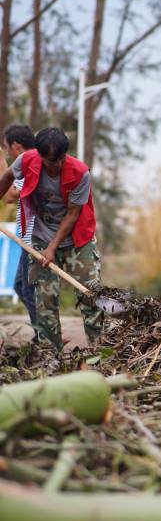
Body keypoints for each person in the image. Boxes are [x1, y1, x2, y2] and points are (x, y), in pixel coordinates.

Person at [0, 126, 102, 351]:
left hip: (78, 239)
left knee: (90, 297)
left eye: (58, 161)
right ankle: (50, 355)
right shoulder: (27, 161)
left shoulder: (80, 173)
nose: (54, 167)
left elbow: (73, 214)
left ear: (65, 155)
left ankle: (99, 352)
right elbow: (7, 177)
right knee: (44, 302)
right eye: (48, 162)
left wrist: (52, 248)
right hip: (41, 235)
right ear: (39, 155)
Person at [3, 125, 37, 338]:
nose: (6, 152)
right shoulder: (28, 164)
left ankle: (45, 335)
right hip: (27, 238)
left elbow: (8, 195)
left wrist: (1, 164)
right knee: (20, 286)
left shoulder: (29, 163)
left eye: (6, 148)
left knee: (28, 289)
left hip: (35, 239)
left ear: (16, 146)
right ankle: (44, 331)